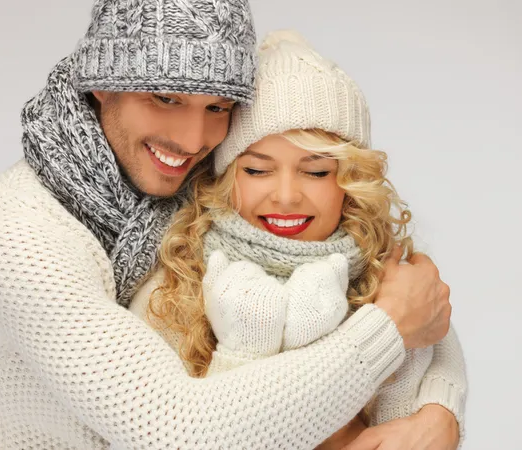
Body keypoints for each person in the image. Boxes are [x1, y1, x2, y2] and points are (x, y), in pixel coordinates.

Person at [0, 1, 452, 449]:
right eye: (165, 97)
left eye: (218, 106)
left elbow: (415, 304)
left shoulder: (200, 177)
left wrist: (439, 409)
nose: (192, 138)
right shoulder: (12, 231)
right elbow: (176, 428)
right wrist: (388, 330)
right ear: (102, 82)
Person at [130, 31, 467, 449]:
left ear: (350, 181)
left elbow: (438, 356)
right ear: (223, 179)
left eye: (316, 171)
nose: (287, 196)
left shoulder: (386, 269)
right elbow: (174, 437)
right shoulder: (174, 288)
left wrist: (439, 413)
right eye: (256, 170)